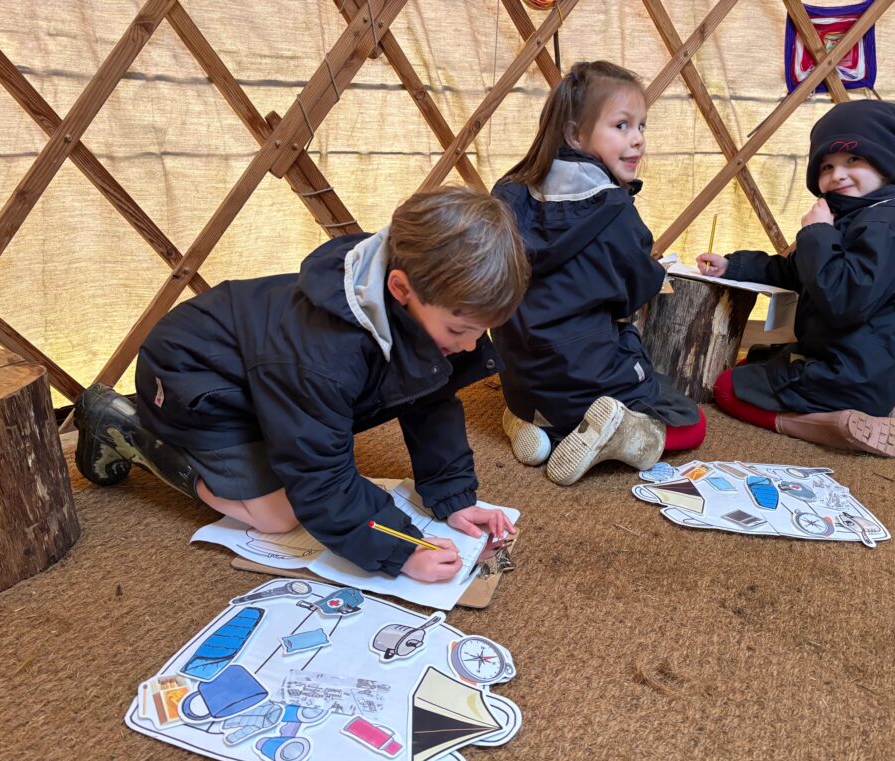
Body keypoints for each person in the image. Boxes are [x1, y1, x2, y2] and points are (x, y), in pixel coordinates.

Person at [73, 186, 528, 582]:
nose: (470, 348)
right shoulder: (321, 358)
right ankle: (131, 426)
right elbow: (321, 477)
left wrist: (453, 498)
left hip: (262, 375)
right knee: (279, 515)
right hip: (191, 376)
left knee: (309, 436)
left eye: (479, 332)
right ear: (400, 289)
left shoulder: (419, 307)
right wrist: (401, 549)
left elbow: (430, 401)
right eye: (457, 331)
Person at [490, 60, 706, 487]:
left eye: (642, 126)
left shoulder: (509, 190)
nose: (638, 140)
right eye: (622, 126)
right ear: (574, 134)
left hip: (519, 375)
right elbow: (632, 293)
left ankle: (526, 421)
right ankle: (615, 433)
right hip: (584, 378)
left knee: (554, 374)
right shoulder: (615, 210)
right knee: (689, 420)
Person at [697, 99, 895, 457]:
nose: (837, 174)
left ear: (887, 164)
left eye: (853, 160)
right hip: (862, 364)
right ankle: (883, 403)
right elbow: (798, 272)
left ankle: (835, 426)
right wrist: (734, 266)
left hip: (847, 372)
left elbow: (843, 302)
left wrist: (819, 234)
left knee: (728, 388)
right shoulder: (858, 218)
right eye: (826, 166)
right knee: (755, 361)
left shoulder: (885, 226)